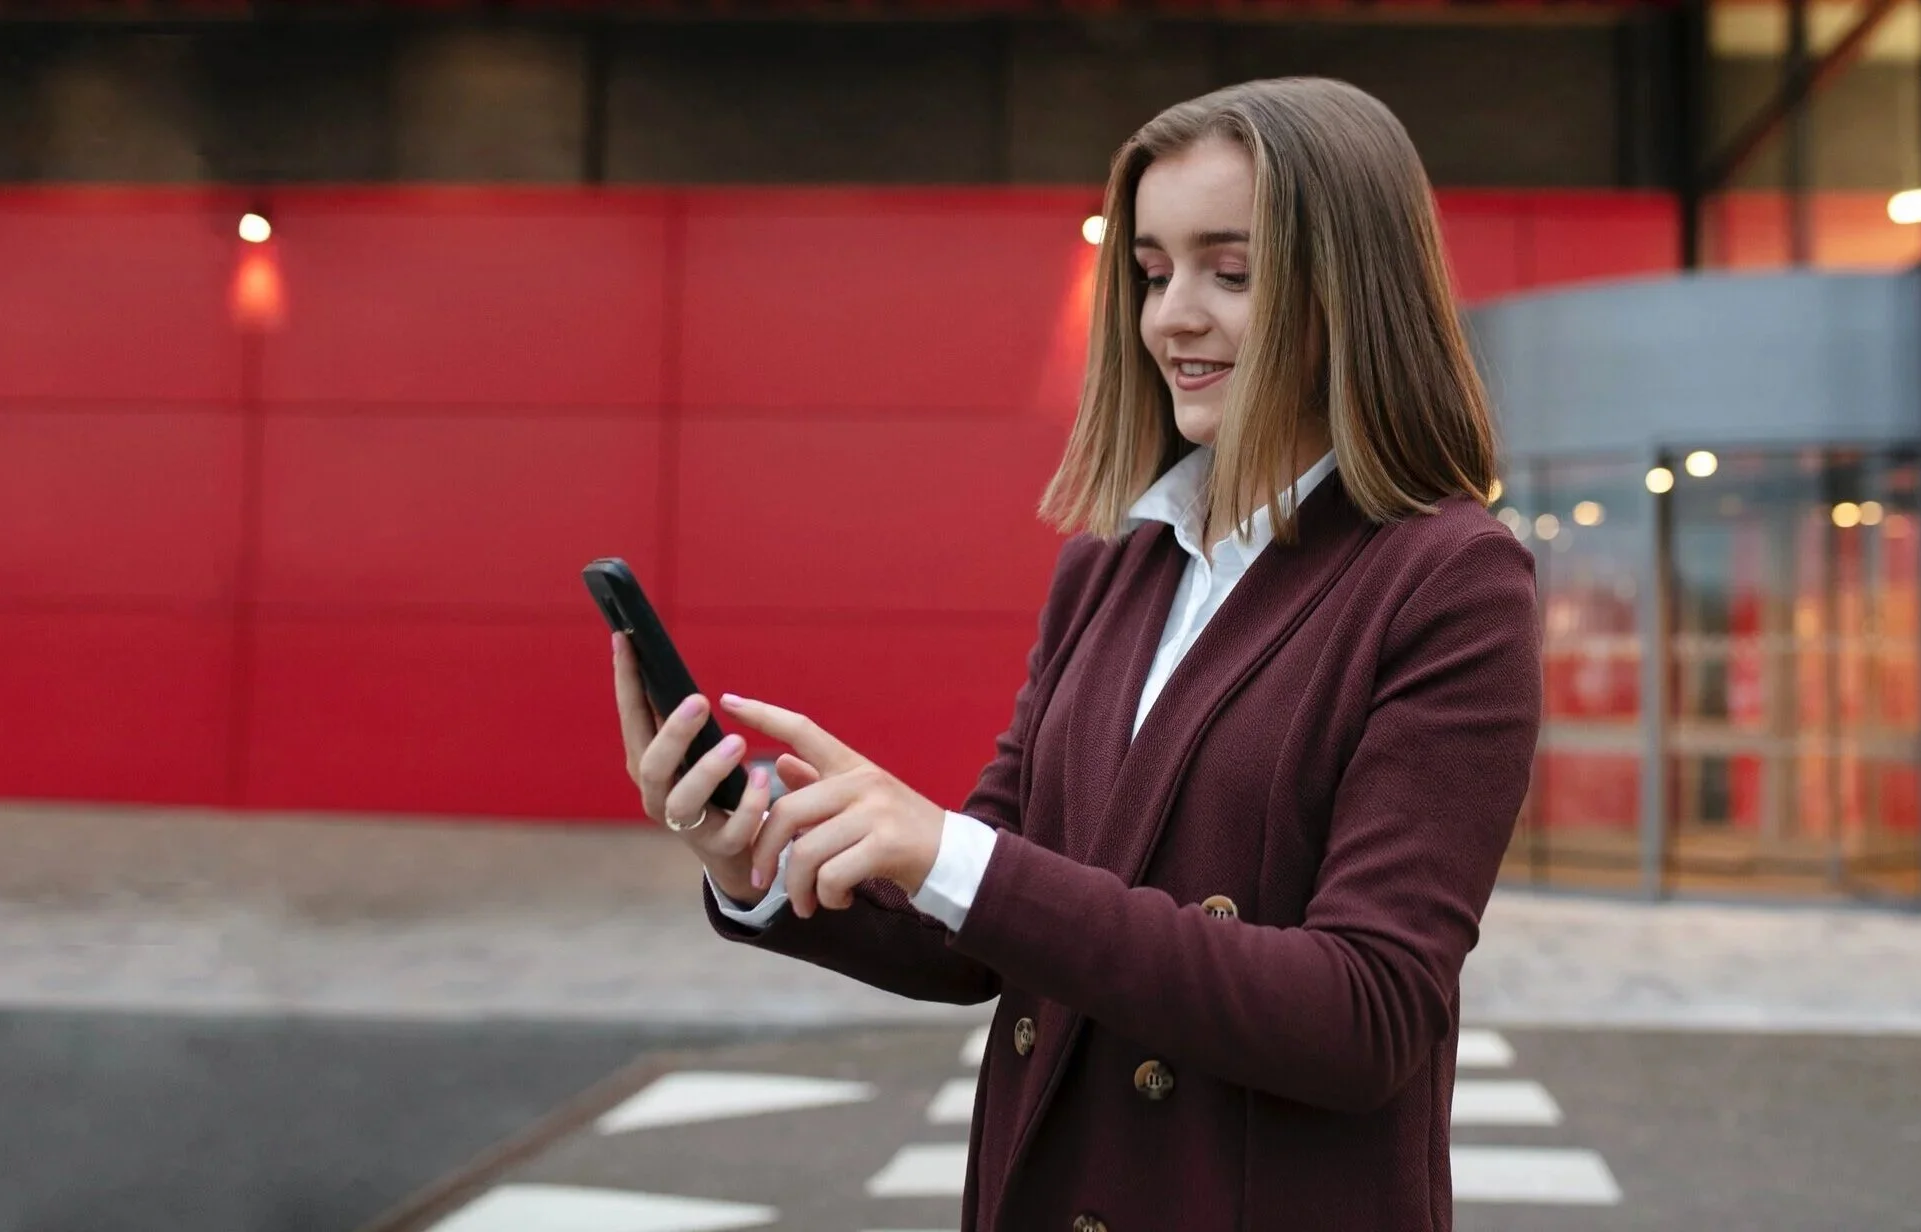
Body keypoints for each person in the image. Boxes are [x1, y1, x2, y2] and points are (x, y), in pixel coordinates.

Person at [610, 77, 1541, 1232]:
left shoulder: (1447, 577)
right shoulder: (1109, 568)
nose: (1172, 318)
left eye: (1232, 272)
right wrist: (757, 858)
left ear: (1352, 288)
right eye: (1153, 271)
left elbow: (1366, 1017)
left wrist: (958, 852)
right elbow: (983, 931)